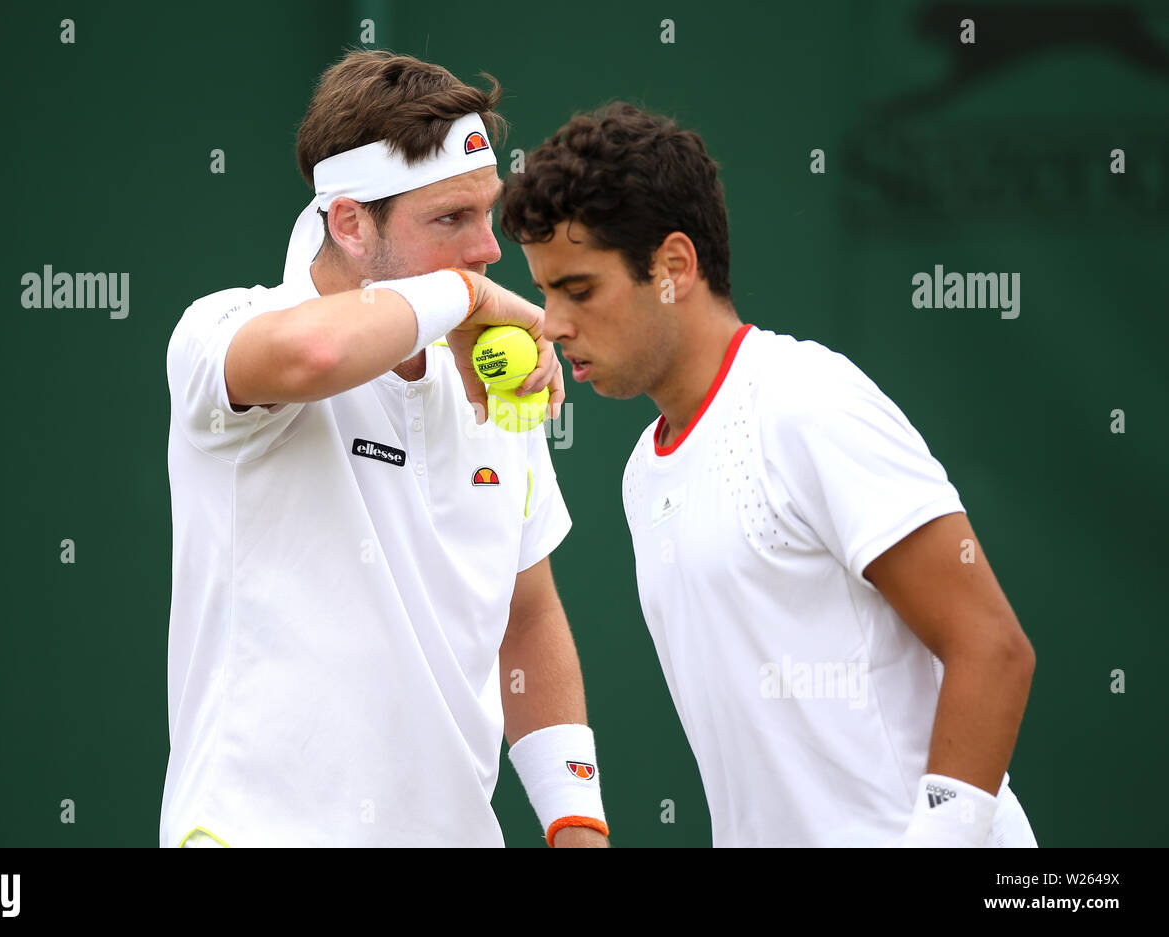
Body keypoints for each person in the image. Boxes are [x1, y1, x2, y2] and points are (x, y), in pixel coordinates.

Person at [500, 101, 1038, 847]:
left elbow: (992, 646)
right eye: (544, 291)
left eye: (579, 289)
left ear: (673, 268)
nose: (552, 323)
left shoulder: (808, 403)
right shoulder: (641, 476)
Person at [160, 50, 608, 848]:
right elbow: (315, 357)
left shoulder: (493, 377)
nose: (488, 250)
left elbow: (527, 614)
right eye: (450, 221)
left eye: (486, 212)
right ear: (350, 224)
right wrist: (466, 299)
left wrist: (575, 824)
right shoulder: (222, 328)